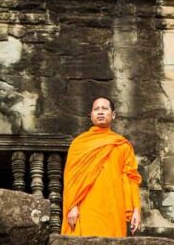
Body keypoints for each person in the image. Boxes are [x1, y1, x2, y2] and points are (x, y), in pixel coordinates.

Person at [61, 97, 142, 237]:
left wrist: (136, 209)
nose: (100, 112)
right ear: (91, 115)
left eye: (104, 109)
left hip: (114, 207)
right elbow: (71, 180)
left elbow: (131, 179)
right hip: (87, 207)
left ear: (113, 115)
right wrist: (72, 206)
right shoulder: (79, 144)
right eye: (96, 109)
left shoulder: (122, 145)